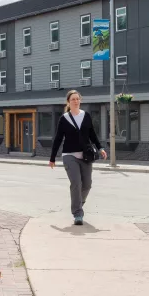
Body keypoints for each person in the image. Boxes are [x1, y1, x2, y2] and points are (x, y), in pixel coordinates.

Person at [49, 90, 107, 225]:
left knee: (87, 185)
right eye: (73, 99)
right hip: (69, 155)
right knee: (76, 183)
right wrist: (52, 158)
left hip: (86, 156)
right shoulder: (64, 118)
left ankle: (78, 203)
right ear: (68, 102)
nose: (75, 101)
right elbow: (58, 139)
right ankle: (77, 214)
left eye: (77, 99)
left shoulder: (85, 116)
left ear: (80, 100)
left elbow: (92, 134)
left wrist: (101, 148)